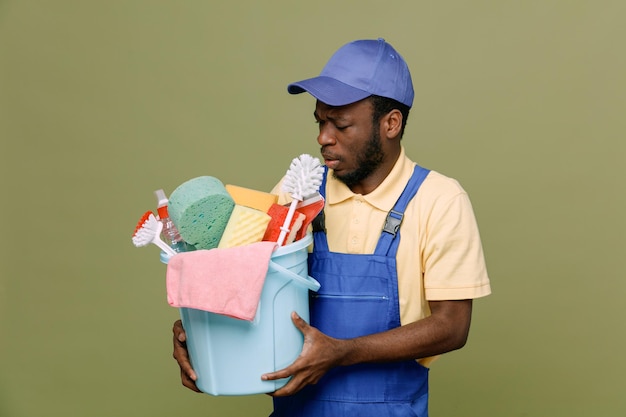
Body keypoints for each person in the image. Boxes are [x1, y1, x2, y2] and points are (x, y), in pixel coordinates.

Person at [172, 38, 491, 416]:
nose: (323, 137)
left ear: (391, 123)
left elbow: (452, 327)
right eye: (320, 121)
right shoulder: (297, 196)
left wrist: (342, 352)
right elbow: (248, 285)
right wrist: (202, 334)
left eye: (340, 124)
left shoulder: (439, 200)